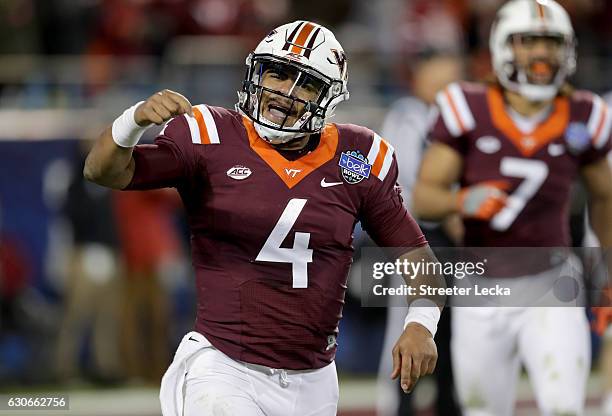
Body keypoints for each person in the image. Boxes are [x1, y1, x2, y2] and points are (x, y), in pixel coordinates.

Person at [84, 21, 442, 416]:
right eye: (279, 73)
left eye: (305, 83)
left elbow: (418, 259)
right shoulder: (211, 136)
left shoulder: (358, 159)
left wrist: (421, 322)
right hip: (223, 366)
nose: (285, 93)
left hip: (314, 380)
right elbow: (103, 171)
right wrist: (133, 121)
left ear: (327, 97)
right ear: (257, 72)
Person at [412, 0, 612, 415]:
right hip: (481, 287)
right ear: (503, 47)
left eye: (551, 43)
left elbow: (606, 197)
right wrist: (462, 200)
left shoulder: (585, 114)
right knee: (484, 409)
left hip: (552, 282)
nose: (540, 54)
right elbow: (424, 197)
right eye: (528, 42)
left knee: (564, 407)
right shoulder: (467, 106)